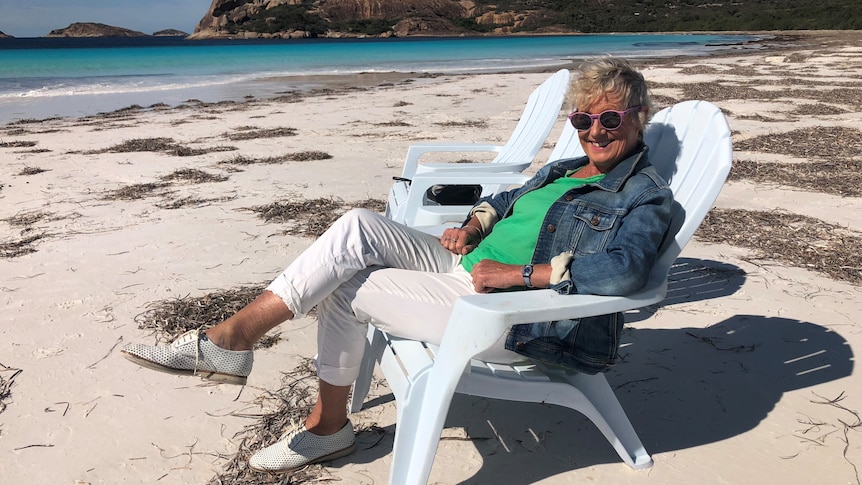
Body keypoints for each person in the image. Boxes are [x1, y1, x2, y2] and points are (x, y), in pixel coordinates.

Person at [122, 56, 673, 474]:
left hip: (507, 313)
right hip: (460, 269)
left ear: (637, 117)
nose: (594, 131)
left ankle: (305, 406)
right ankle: (237, 343)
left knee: (345, 284)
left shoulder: (642, 193)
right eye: (582, 119)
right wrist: (476, 225)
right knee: (357, 224)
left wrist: (522, 276)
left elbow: (627, 271)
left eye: (609, 118)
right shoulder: (565, 170)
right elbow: (506, 201)